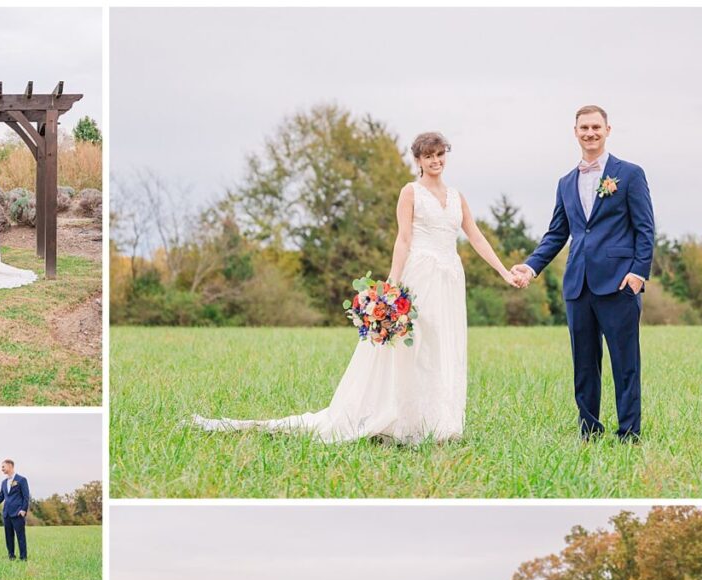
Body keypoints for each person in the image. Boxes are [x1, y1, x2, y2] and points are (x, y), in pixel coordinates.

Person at [193, 132, 518, 444]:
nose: (435, 161)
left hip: (450, 278)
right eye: (428, 156)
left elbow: (475, 236)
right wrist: (393, 282)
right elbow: (403, 238)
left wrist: (503, 271)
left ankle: (438, 422)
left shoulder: (457, 197)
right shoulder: (410, 192)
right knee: (415, 347)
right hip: (420, 275)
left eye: (440, 154)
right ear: (418, 159)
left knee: (442, 345)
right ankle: (403, 421)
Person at [512, 105, 654, 441]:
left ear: (607, 130)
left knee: (625, 364)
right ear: (575, 132)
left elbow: (645, 229)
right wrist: (531, 267)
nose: (590, 133)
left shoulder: (630, 174)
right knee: (584, 366)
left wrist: (638, 273)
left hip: (620, 283)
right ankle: (589, 431)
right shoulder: (565, 182)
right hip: (578, 285)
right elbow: (557, 233)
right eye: (583, 128)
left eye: (596, 127)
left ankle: (629, 433)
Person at [0, 459, 32, 561]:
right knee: (8, 536)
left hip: (18, 513)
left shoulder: (21, 480)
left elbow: (26, 496)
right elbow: (0, 497)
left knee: (20, 536)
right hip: (6, 513)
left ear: (10, 466)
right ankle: (11, 556)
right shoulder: (3, 482)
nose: (2, 469)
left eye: (3, 467)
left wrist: (23, 510)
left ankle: (23, 557)